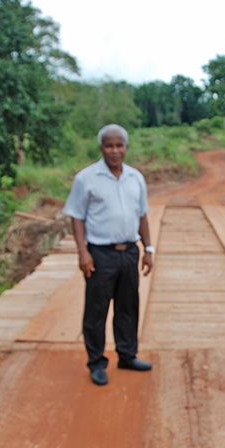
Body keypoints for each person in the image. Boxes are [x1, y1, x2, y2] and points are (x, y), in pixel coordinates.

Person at [62, 124, 155, 386]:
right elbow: (77, 218)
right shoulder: (86, 178)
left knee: (128, 307)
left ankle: (127, 355)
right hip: (100, 254)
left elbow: (142, 215)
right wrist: (83, 252)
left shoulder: (136, 177)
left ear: (126, 147)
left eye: (119, 145)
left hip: (129, 253)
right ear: (101, 148)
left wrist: (148, 249)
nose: (115, 150)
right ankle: (96, 363)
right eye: (109, 145)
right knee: (97, 310)